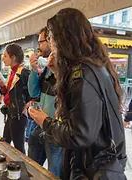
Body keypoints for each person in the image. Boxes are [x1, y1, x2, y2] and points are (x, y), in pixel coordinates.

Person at [29, 8, 127, 180]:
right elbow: (81, 110)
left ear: (63, 38)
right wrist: (58, 72)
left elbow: (79, 135)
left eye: (51, 38)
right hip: (98, 163)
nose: (50, 44)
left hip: (92, 168)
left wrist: (44, 121)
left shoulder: (82, 74)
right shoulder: (95, 66)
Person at [27, 27, 62, 177]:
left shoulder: (65, 67)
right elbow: (34, 92)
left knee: (54, 173)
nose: (38, 46)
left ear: (51, 41)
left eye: (41, 42)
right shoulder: (47, 67)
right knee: (30, 168)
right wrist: (34, 70)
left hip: (55, 129)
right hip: (39, 126)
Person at [0, 43, 31, 154]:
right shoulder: (12, 71)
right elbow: (7, 93)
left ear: (13, 57)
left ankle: (21, 168)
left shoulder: (24, 73)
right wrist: (1, 85)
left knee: (18, 146)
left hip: (18, 114)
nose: (3, 59)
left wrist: (27, 106)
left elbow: (33, 94)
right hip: (11, 112)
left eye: (5, 56)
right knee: (5, 142)